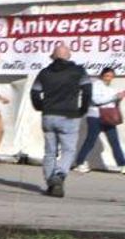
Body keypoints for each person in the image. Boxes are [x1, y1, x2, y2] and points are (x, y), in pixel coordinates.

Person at [30, 46, 91, 197]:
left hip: (49, 116)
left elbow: (35, 92)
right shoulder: (79, 71)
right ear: (68, 56)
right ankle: (60, 175)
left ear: (53, 56)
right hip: (69, 115)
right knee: (68, 150)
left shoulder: (44, 72)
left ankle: (51, 183)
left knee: (50, 152)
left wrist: (41, 107)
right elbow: (88, 91)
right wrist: (83, 109)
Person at [74, 67, 124, 174]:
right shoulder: (96, 85)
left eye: (111, 76)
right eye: (107, 76)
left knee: (114, 141)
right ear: (102, 76)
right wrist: (114, 97)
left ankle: (122, 164)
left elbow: (111, 103)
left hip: (108, 117)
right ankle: (80, 162)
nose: (109, 78)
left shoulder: (111, 89)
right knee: (90, 141)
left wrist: (118, 99)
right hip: (95, 117)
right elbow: (96, 100)